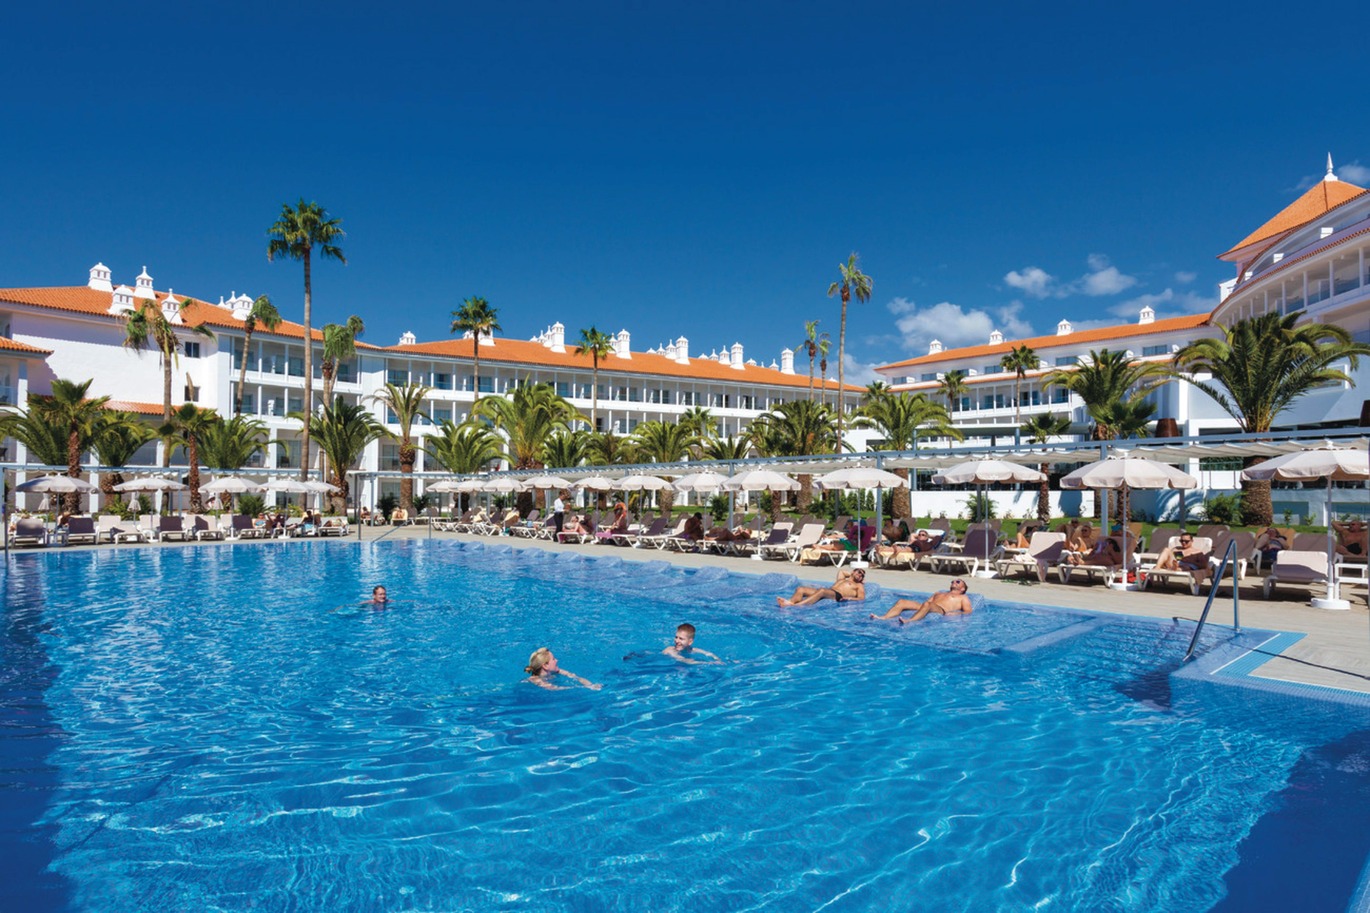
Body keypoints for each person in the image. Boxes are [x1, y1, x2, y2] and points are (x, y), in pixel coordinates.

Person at [871, 578, 972, 624]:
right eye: (953, 581)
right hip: (929, 605)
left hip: (941, 610)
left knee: (928, 604)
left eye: (958, 582)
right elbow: (926, 602)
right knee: (902, 601)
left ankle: (909, 621)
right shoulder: (939, 593)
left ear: (963, 589)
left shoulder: (963, 597)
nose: (954, 582)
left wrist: (955, 613)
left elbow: (968, 611)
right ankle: (883, 617)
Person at [776, 567, 866, 607]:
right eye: (859, 572)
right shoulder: (842, 578)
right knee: (801, 589)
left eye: (862, 575)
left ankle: (796, 606)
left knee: (822, 590)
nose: (860, 575)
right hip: (829, 591)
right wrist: (851, 574)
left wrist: (849, 598)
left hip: (837, 595)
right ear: (853, 572)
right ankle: (790, 602)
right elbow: (841, 571)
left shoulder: (859, 585)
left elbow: (861, 598)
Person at [525, 647, 601, 690]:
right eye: (553, 659)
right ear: (545, 666)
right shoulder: (536, 680)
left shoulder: (557, 671)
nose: (557, 660)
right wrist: (580, 688)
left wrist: (591, 685)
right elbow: (554, 689)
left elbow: (575, 677)